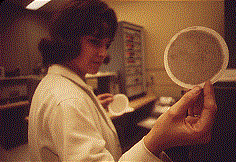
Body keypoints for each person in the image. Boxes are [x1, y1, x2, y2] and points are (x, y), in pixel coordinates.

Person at [28, 0, 218, 161]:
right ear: (68, 40)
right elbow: (69, 108)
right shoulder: (68, 101)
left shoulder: (55, 83)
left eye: (107, 44)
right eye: (94, 41)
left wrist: (92, 107)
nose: (103, 53)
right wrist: (156, 141)